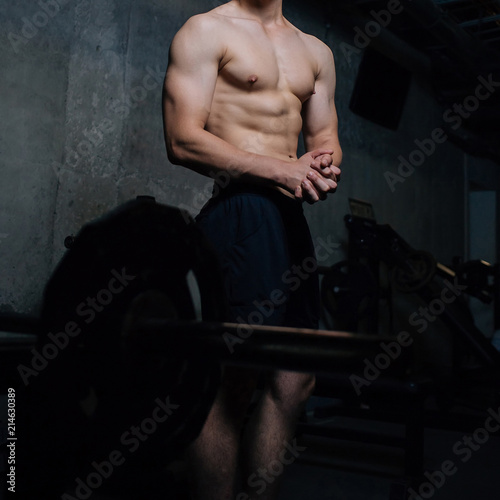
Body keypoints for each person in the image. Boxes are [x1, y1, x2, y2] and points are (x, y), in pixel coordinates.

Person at [162, 1, 342, 498]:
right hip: (240, 210)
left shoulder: (316, 51)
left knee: (295, 380)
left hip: (290, 219)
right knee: (231, 381)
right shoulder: (206, 31)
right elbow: (182, 140)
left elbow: (325, 136)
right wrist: (279, 168)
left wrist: (324, 165)